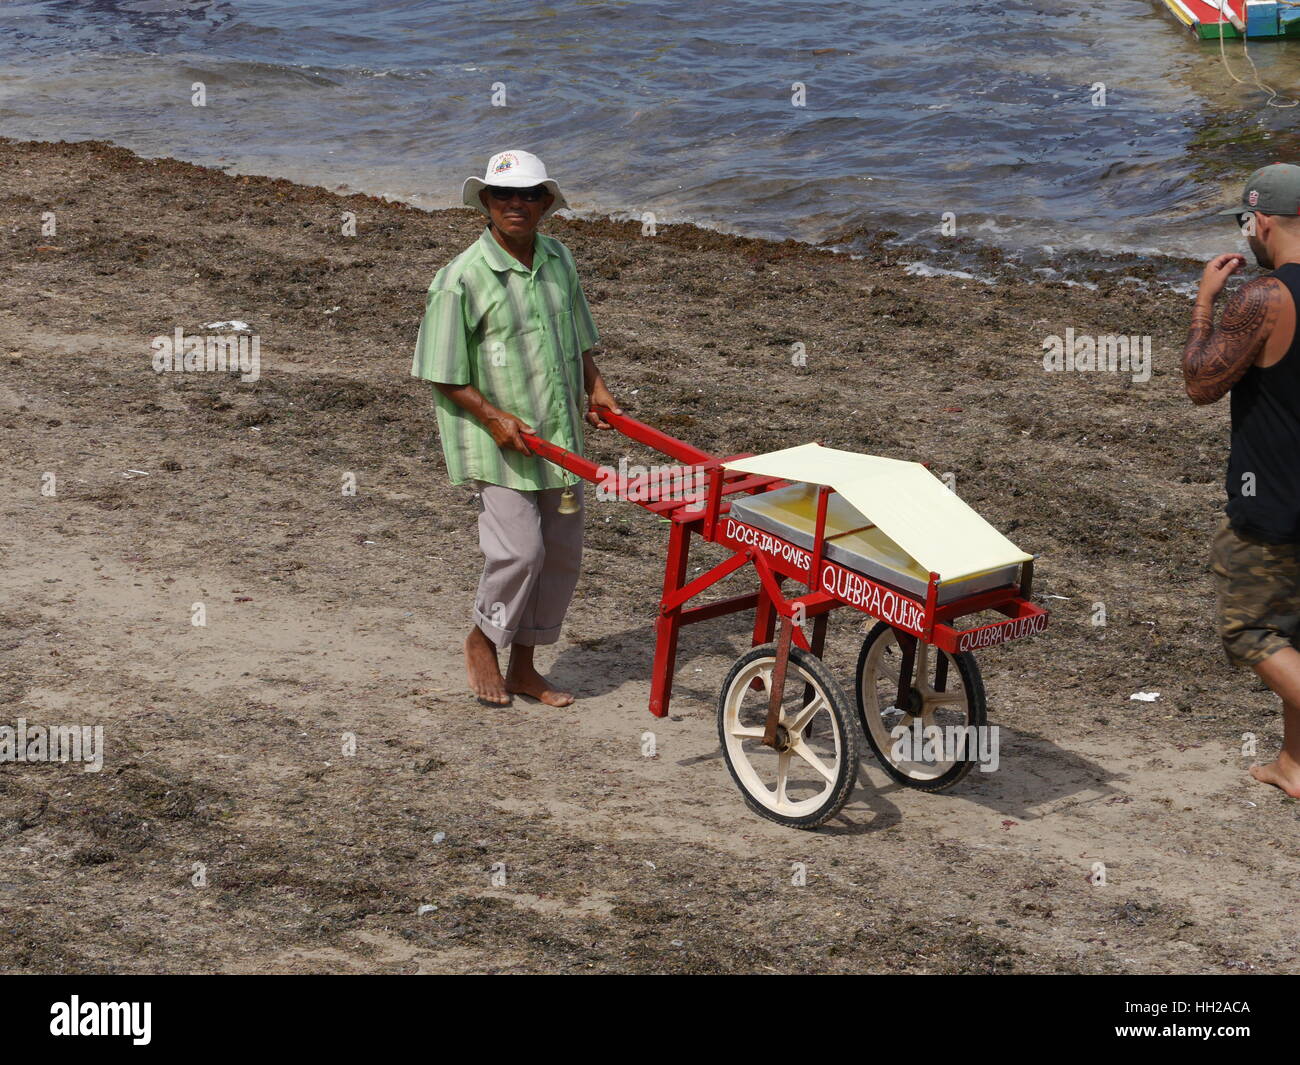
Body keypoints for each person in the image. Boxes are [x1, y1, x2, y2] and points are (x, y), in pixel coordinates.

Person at [411, 149, 621, 707]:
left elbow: (577, 338)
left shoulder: (559, 259)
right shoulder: (460, 279)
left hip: (559, 435)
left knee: (559, 555)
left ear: (546, 203)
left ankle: (525, 668)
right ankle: (483, 638)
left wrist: (594, 388)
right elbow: (440, 372)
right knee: (520, 553)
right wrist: (494, 417)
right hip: (497, 442)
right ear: (485, 201)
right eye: (504, 195)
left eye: (529, 195)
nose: (516, 204)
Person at [1183, 162, 1300, 796]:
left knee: (1253, 631)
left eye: (1244, 223)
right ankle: (1294, 764)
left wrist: (1205, 303)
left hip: (1275, 500)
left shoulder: (1265, 296)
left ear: (1259, 221)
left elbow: (1202, 382)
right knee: (1299, 632)